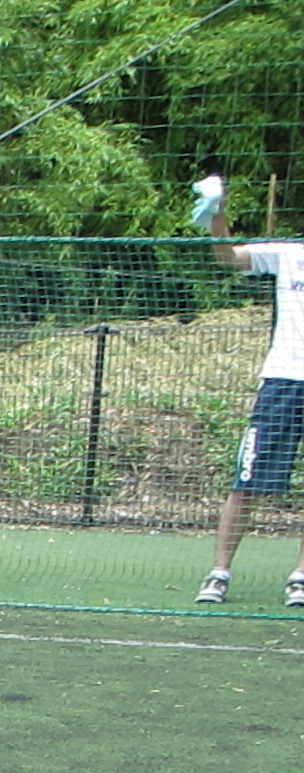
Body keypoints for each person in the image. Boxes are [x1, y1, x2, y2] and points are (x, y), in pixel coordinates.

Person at [193, 175, 304, 607]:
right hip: (282, 381)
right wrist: (216, 213)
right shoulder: (289, 253)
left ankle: (300, 577)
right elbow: (229, 258)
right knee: (247, 480)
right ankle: (219, 572)